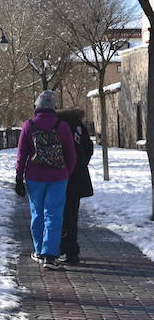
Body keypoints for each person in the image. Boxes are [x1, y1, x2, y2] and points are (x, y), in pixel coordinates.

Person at [14, 90, 76, 269]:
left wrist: (19, 177)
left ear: (37, 106)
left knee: (37, 213)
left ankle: (39, 250)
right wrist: (66, 174)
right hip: (58, 177)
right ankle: (50, 255)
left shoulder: (29, 125)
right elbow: (71, 156)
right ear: (53, 107)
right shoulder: (62, 126)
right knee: (54, 215)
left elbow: (22, 155)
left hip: (35, 176)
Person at [55, 108, 94, 264]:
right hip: (78, 176)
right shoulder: (78, 125)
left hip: (62, 174)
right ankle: (71, 249)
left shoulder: (58, 125)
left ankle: (65, 248)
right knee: (72, 213)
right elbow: (89, 147)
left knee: (61, 214)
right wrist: (82, 163)